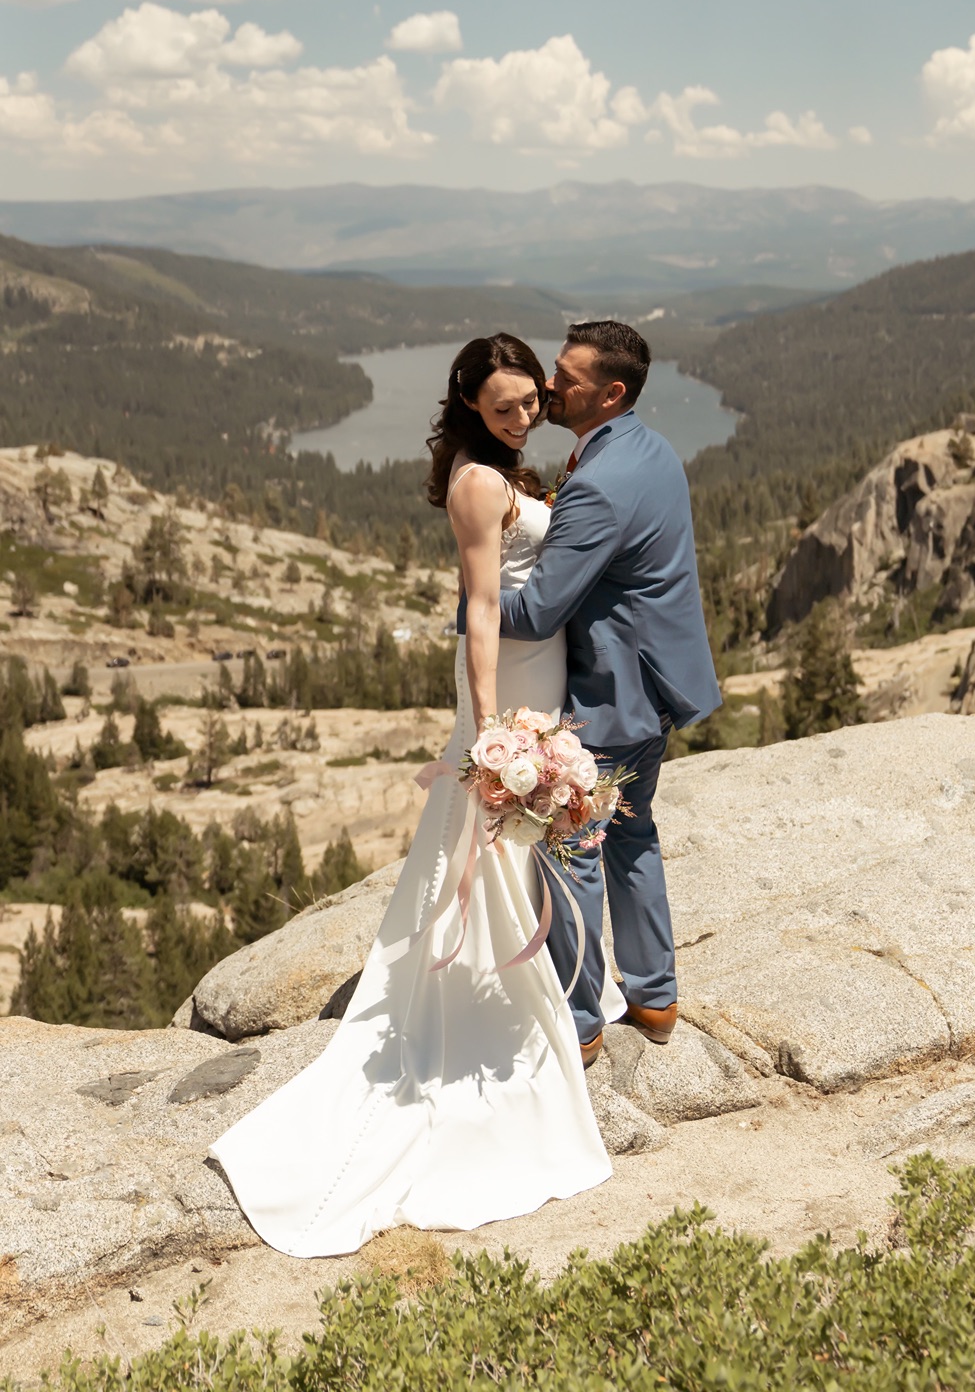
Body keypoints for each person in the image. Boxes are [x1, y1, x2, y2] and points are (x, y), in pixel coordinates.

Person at [209, 333, 611, 1258]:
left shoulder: (505, 465)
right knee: (496, 845)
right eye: (502, 407)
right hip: (507, 681)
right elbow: (478, 604)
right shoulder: (479, 482)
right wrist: (489, 727)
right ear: (470, 404)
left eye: (529, 403)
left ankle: (537, 984)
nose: (520, 417)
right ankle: (497, 1004)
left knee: (518, 849)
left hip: (538, 672)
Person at [499, 320, 721, 1067]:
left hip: (612, 699)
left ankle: (580, 1022)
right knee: (633, 832)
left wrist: (467, 598)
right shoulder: (647, 448)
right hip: (656, 688)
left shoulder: (598, 481)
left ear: (612, 392)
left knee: (574, 851)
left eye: (567, 376)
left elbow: (535, 612)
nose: (549, 385)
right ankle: (656, 997)